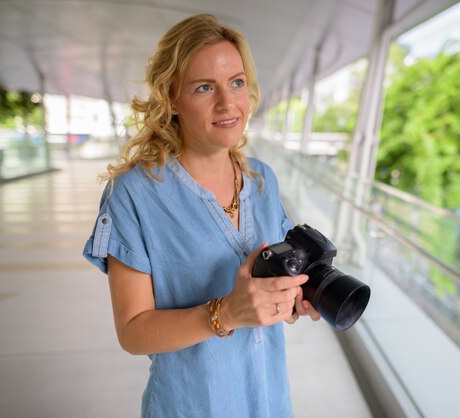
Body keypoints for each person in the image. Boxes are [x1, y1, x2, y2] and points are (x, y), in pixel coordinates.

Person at [83, 13, 320, 418]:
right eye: (204, 87)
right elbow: (133, 332)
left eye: (237, 82)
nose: (228, 103)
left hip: (268, 402)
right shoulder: (134, 194)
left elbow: (272, 284)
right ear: (172, 97)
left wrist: (296, 298)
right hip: (192, 406)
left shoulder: (263, 180)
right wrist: (226, 312)